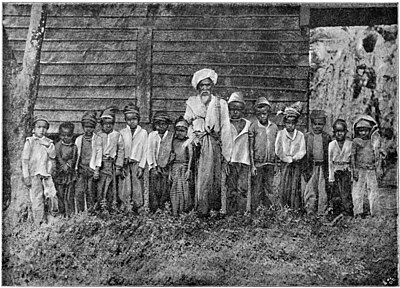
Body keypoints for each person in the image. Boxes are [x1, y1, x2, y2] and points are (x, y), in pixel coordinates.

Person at [184, 68, 232, 216]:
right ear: (197, 87)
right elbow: (188, 125)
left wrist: (227, 154)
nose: (205, 88)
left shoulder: (220, 104)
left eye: (208, 85)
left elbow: (225, 128)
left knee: (213, 176)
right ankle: (199, 209)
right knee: (197, 175)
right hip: (196, 143)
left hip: (213, 142)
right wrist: (193, 139)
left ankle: (214, 209)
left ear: (212, 86)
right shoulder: (192, 103)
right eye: (202, 86)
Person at [21, 115, 57, 225]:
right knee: (37, 197)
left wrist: (47, 145)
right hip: (34, 173)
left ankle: (52, 220)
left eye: (45, 128)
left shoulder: (49, 142)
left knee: (51, 195)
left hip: (46, 174)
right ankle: (39, 221)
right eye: (39, 127)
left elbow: (53, 155)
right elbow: (25, 160)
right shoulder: (30, 142)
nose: (42, 130)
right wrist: (26, 176)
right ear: (34, 129)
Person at [248, 96, 279, 211]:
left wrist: (275, 164)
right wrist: (253, 165)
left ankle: (269, 212)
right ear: (256, 114)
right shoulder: (254, 127)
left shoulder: (274, 127)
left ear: (268, 113)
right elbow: (250, 148)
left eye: (264, 113)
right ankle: (255, 212)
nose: (262, 116)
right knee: (256, 189)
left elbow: (276, 147)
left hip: (270, 163)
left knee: (269, 188)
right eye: (259, 114)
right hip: (258, 163)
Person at [275, 102, 306, 211]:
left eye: (293, 123)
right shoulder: (281, 134)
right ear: (284, 123)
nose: (290, 125)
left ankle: (295, 208)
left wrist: (295, 158)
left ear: (296, 123)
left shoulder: (300, 135)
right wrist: (286, 158)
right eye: (288, 123)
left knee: (295, 185)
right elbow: (278, 150)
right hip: (285, 164)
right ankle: (284, 208)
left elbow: (302, 150)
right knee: (285, 185)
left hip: (296, 164)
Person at [225, 92, 252, 214]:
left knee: (243, 188)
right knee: (231, 189)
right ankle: (231, 214)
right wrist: (225, 161)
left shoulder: (248, 125)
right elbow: (223, 144)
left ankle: (241, 214)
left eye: (238, 109)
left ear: (243, 111)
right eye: (232, 109)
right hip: (231, 161)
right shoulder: (226, 125)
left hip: (244, 161)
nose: (235, 112)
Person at [119, 103, 148, 212]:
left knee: (137, 186)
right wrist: (121, 165)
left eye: (134, 119)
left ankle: (138, 207)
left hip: (136, 163)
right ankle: (126, 207)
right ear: (125, 120)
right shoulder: (122, 132)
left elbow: (145, 150)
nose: (132, 122)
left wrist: (141, 167)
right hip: (126, 163)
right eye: (129, 119)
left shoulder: (143, 133)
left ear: (138, 119)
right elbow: (120, 150)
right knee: (126, 186)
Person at [352, 115, 381, 217]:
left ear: (370, 130)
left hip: (371, 169)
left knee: (373, 190)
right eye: (360, 131)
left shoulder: (373, 142)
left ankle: (374, 212)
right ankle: (358, 212)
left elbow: (377, 154)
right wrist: (354, 169)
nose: (363, 133)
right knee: (357, 191)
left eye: (365, 130)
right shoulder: (356, 141)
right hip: (360, 169)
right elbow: (353, 156)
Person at [303, 110, 332, 216]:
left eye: (320, 124)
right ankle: (310, 210)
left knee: (322, 189)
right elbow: (305, 153)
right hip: (312, 166)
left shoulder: (326, 137)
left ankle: (322, 212)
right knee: (310, 189)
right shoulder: (307, 137)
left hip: (322, 167)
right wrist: (306, 169)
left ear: (324, 125)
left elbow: (329, 153)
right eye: (315, 124)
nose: (317, 127)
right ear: (311, 124)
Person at [97, 107, 124, 211]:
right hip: (101, 164)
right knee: (100, 187)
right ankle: (100, 207)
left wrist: (118, 166)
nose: (108, 126)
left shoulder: (117, 135)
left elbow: (121, 150)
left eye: (110, 123)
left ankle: (111, 208)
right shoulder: (99, 135)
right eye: (105, 123)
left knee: (111, 187)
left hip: (112, 164)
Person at [75, 111, 102, 213]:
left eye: (91, 127)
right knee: (79, 191)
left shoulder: (97, 139)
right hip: (81, 169)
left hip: (91, 169)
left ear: (94, 127)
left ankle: (91, 212)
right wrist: (76, 169)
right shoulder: (79, 139)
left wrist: (96, 170)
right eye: (86, 127)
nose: (88, 129)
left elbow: (99, 155)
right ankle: (80, 212)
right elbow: (76, 155)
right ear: (83, 127)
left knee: (90, 191)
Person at [147, 111, 173, 212]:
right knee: (154, 188)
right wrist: (153, 166)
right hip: (154, 166)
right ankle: (154, 208)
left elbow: (172, 151)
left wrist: (168, 163)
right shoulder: (152, 135)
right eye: (158, 124)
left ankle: (164, 207)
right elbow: (150, 151)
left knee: (165, 187)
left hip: (166, 166)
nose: (160, 126)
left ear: (167, 125)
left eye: (163, 124)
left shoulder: (170, 136)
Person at [328, 119, 353, 217]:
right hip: (335, 170)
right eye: (337, 131)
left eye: (342, 131)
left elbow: (352, 160)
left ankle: (347, 211)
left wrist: (351, 172)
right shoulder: (331, 144)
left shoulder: (350, 144)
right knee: (336, 192)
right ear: (334, 133)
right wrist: (331, 177)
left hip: (346, 170)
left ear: (345, 132)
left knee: (346, 192)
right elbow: (330, 161)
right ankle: (336, 210)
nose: (340, 134)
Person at [169, 116, 194, 216]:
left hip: (184, 167)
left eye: (182, 131)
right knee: (174, 190)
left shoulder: (188, 142)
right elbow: (171, 158)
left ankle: (184, 211)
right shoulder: (173, 142)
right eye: (178, 130)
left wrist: (189, 170)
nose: (180, 133)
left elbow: (191, 157)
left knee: (184, 190)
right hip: (175, 167)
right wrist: (170, 172)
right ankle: (175, 212)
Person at [54, 121, 78, 217]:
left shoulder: (74, 146)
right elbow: (58, 157)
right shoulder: (58, 145)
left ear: (72, 135)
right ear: (60, 135)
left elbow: (74, 158)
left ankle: (70, 213)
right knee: (60, 194)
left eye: (68, 135)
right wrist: (63, 164)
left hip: (69, 173)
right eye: (63, 135)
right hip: (60, 173)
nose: (65, 137)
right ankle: (61, 212)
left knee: (69, 195)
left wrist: (68, 164)